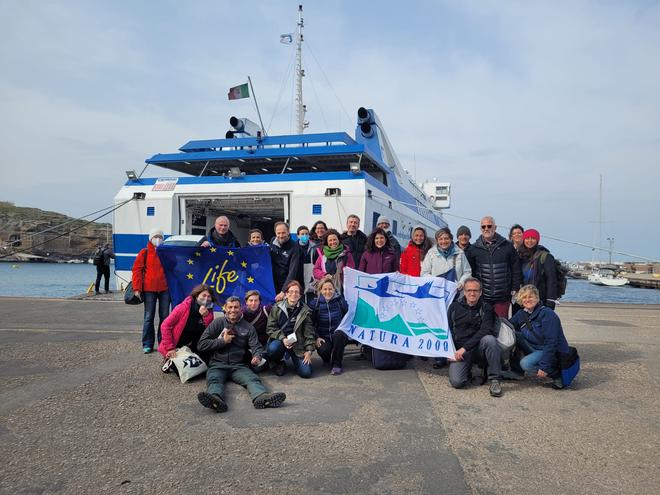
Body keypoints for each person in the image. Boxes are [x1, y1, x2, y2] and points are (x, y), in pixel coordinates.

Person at [196, 296, 286, 412]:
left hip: (238, 366)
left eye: (236, 307)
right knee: (214, 380)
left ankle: (261, 397)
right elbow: (201, 345)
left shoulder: (248, 327)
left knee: (252, 379)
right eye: (230, 307)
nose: (233, 310)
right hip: (217, 364)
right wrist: (222, 341)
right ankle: (215, 399)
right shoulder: (217, 323)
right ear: (225, 308)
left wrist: (257, 356)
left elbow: (256, 346)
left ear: (240, 308)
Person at [446, 277, 503, 398]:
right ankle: (467, 369)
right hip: (460, 351)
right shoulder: (454, 307)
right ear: (464, 292)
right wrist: (449, 352)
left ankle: (495, 380)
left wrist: (465, 348)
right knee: (457, 382)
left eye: (476, 290)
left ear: (481, 292)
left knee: (490, 340)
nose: (472, 293)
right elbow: (447, 330)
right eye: (469, 290)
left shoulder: (486, 308)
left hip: (478, 348)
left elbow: (486, 330)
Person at [509, 285, 569, 389]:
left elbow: (551, 342)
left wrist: (544, 366)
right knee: (514, 335)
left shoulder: (547, 314)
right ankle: (517, 371)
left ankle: (555, 374)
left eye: (530, 297)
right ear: (521, 300)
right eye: (524, 297)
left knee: (526, 364)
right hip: (534, 346)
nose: (527, 300)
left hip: (549, 349)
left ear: (537, 297)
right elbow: (508, 325)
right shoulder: (521, 313)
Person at [466, 216, 522, 318]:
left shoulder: (507, 246)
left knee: (501, 326)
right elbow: (470, 272)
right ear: (481, 229)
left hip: (502, 298)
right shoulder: (473, 249)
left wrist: (515, 287)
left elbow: (516, 268)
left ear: (495, 227)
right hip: (483, 297)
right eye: (483, 227)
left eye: (489, 226)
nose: (486, 229)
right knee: (483, 325)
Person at [265, 280, 316, 378]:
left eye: (296, 292)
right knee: (273, 349)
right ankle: (278, 362)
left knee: (306, 373)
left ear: (300, 295)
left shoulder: (305, 311)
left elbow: (309, 333)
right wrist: (283, 339)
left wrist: (309, 351)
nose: (294, 294)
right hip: (280, 341)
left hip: (297, 344)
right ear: (286, 294)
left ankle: (296, 362)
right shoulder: (277, 308)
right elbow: (270, 328)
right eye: (291, 291)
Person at [132, 228, 170, 354]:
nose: (158, 238)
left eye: (160, 236)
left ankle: (163, 342)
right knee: (149, 317)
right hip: (149, 290)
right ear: (151, 238)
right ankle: (147, 343)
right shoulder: (145, 252)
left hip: (165, 289)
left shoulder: (166, 252)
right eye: (155, 236)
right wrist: (137, 288)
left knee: (165, 317)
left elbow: (175, 267)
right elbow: (137, 270)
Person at [158, 284, 215, 364]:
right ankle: (168, 358)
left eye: (209, 296)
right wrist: (170, 348)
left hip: (195, 344)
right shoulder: (183, 307)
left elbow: (209, 331)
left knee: (203, 366)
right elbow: (165, 325)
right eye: (203, 295)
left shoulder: (209, 310)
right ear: (196, 296)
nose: (206, 299)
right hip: (177, 344)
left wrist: (206, 316)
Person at [309, 276, 350, 375]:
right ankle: (326, 359)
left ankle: (337, 364)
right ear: (320, 290)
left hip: (338, 335)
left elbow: (348, 316)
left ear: (334, 290)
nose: (328, 292)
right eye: (325, 289)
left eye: (330, 289)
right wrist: (317, 337)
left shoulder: (340, 302)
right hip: (323, 337)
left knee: (339, 335)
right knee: (324, 350)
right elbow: (310, 324)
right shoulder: (315, 304)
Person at [517, 229, 558, 310]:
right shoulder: (521, 256)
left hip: (540, 299)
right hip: (524, 298)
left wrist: (550, 300)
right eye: (527, 238)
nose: (530, 241)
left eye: (533, 238)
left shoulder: (545, 256)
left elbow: (552, 279)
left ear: (537, 240)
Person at [313, 228, 355, 292]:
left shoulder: (347, 255)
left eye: (334, 239)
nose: (333, 242)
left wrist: (339, 276)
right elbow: (315, 270)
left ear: (339, 240)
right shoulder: (322, 256)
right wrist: (324, 275)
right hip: (326, 290)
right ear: (327, 242)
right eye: (330, 240)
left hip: (342, 290)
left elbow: (350, 273)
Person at [270, 222, 302, 302]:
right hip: (273, 284)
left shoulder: (294, 247)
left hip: (285, 286)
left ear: (288, 232)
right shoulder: (272, 241)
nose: (281, 235)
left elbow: (293, 271)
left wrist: (283, 291)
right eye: (279, 233)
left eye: (283, 233)